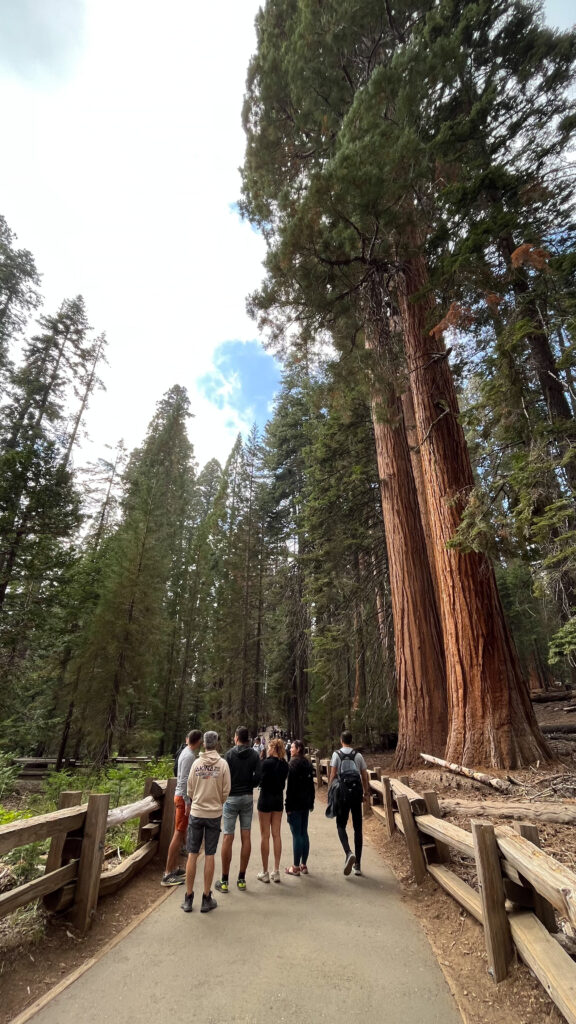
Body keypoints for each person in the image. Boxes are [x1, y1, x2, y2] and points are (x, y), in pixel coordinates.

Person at [181, 731, 231, 914]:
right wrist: (217, 802)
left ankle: (188, 898)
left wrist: (198, 801)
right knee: (210, 854)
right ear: (216, 744)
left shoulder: (196, 764)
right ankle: (206, 897)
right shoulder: (223, 765)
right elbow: (226, 790)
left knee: (192, 853)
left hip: (197, 812)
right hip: (214, 813)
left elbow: (190, 789)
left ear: (204, 744)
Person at [215, 726, 261, 894]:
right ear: (247, 739)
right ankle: (241, 878)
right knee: (246, 835)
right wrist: (251, 785)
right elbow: (258, 776)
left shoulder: (228, 755)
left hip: (231, 798)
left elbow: (222, 777)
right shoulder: (254, 755)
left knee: (228, 836)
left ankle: (224, 880)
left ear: (236, 738)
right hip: (247, 797)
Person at [161, 729, 203, 886]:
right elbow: (185, 779)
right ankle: (167, 874)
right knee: (178, 834)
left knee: (180, 832)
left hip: (180, 797)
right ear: (198, 741)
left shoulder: (186, 752)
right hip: (182, 798)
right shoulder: (189, 756)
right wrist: (187, 802)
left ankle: (173, 868)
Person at [328, 730, 369, 876]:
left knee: (341, 825)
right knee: (358, 828)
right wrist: (365, 793)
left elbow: (333, 774)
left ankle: (348, 852)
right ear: (351, 741)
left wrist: (330, 792)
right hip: (356, 795)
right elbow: (364, 776)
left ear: (341, 740)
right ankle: (357, 865)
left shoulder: (336, 755)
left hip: (342, 794)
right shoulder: (358, 756)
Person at [257, 737, 289, 883]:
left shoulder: (265, 763)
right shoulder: (284, 765)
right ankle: (276, 871)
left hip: (265, 799)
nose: (268, 749)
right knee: (277, 834)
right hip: (277, 800)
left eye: (270, 747)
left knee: (265, 836)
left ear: (274, 749)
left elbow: (260, 781)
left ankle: (264, 871)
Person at [284, 739, 315, 876]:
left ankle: (295, 867)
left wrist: (287, 806)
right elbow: (311, 785)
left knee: (297, 835)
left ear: (298, 749)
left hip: (295, 804)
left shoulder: (292, 764)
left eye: (292, 747)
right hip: (305, 803)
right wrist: (312, 801)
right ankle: (304, 864)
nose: (290, 749)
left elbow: (290, 788)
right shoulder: (307, 763)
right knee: (304, 833)